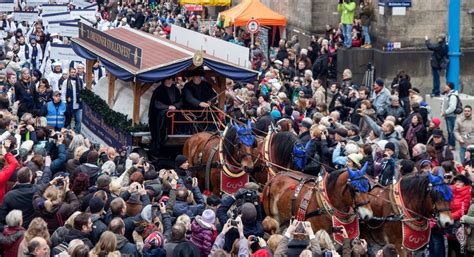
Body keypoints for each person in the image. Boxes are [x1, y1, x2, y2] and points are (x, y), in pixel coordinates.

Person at [148, 76, 183, 152]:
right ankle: (163, 135)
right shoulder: (159, 90)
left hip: (175, 111)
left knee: (181, 114)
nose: (169, 81)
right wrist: (168, 107)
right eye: (168, 79)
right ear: (164, 80)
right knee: (165, 114)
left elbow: (180, 101)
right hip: (162, 113)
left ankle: (178, 132)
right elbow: (156, 103)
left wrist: (175, 106)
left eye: (171, 79)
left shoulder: (176, 90)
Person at [447, 175, 471, 257]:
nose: (457, 183)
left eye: (460, 182)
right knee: (449, 240)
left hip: (458, 220)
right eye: (456, 181)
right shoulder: (452, 190)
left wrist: (452, 216)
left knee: (457, 242)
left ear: (464, 184)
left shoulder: (467, 193)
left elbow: (463, 209)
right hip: (449, 218)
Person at [61, 67, 84, 133]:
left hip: (78, 104)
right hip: (69, 104)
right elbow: (63, 92)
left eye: (74, 72)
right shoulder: (66, 81)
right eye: (72, 72)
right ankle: (68, 133)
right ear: (69, 73)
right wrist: (64, 102)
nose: (73, 74)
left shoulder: (80, 80)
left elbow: (82, 91)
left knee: (79, 120)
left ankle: (76, 132)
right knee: (69, 120)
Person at [441, 82, 459, 149]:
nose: (444, 87)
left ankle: (452, 145)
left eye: (446, 86)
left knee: (451, 131)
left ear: (450, 87)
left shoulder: (453, 96)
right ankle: (449, 144)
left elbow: (452, 107)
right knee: (449, 131)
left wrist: (445, 112)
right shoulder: (447, 94)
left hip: (451, 115)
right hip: (448, 115)